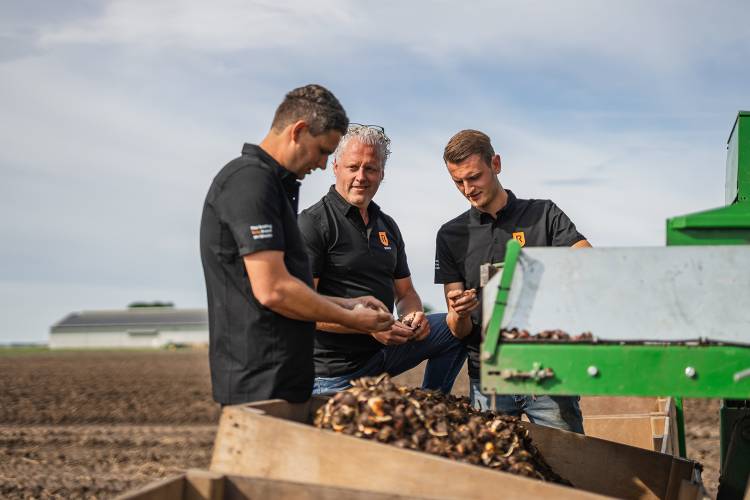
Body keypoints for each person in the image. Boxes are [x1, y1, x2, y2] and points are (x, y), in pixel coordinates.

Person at [200, 85, 394, 406]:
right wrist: (352, 319)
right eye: (322, 151)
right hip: (258, 383)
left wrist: (348, 303)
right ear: (299, 131)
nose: (321, 165)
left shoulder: (275, 186)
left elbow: (289, 286)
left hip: (284, 377)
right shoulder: (250, 181)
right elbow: (273, 289)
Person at [434, 129, 592, 433]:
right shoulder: (450, 236)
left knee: (569, 466)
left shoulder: (544, 214)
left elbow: (587, 263)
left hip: (548, 374)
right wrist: (460, 311)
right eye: (458, 182)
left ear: (496, 163)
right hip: (487, 381)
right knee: (495, 473)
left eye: (474, 177)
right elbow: (458, 328)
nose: (468, 189)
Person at [298, 124, 466, 395]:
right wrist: (367, 326)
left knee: (455, 328)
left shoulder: (386, 225)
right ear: (336, 166)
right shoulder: (313, 223)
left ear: (381, 174)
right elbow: (302, 308)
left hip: (382, 352)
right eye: (353, 167)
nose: (361, 177)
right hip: (333, 372)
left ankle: (434, 403)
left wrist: (413, 316)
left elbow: (405, 292)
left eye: (371, 168)